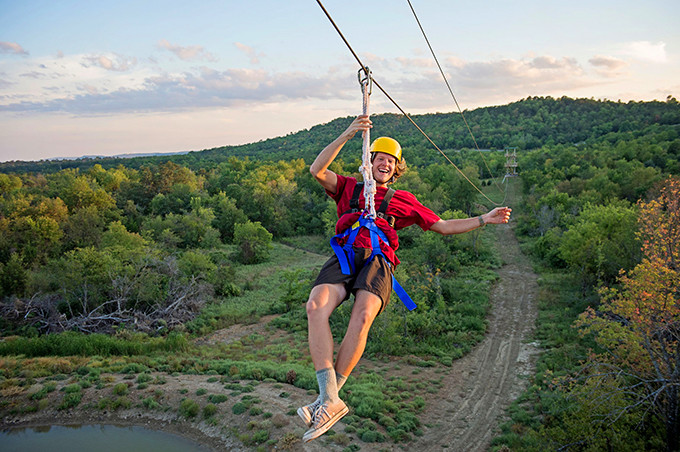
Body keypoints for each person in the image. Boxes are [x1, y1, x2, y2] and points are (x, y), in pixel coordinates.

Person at [299, 115, 512, 442]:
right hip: (346, 252)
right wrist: (348, 132)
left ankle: (328, 399)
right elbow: (317, 170)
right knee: (315, 307)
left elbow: (442, 226)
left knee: (364, 315)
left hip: (378, 259)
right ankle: (329, 399)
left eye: (390, 161)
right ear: (367, 163)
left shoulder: (404, 200)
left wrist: (484, 219)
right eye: (379, 158)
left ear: (396, 168)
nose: (384, 164)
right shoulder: (348, 187)